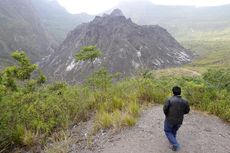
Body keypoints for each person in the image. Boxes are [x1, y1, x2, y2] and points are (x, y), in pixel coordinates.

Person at [163, 86, 190, 151]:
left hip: (169, 120)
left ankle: (176, 145)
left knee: (167, 131)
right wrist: (181, 114)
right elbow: (187, 111)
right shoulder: (185, 101)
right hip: (179, 120)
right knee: (174, 131)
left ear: (173, 92)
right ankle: (173, 146)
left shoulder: (169, 99)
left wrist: (167, 115)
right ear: (180, 92)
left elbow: (165, 109)